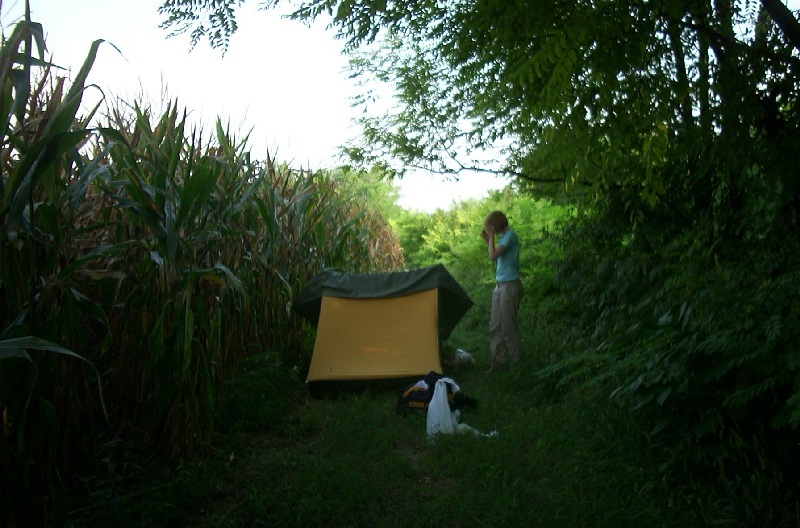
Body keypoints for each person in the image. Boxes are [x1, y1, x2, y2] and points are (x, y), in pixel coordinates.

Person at [480, 210, 522, 372]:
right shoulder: (504, 238)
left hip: (510, 286)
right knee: (495, 325)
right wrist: (487, 240)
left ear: (495, 225)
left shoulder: (510, 235)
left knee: (508, 326)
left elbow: (492, 256)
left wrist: (490, 237)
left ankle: (517, 363)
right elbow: (498, 257)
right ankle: (499, 362)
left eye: (490, 227)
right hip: (500, 285)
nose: (489, 230)